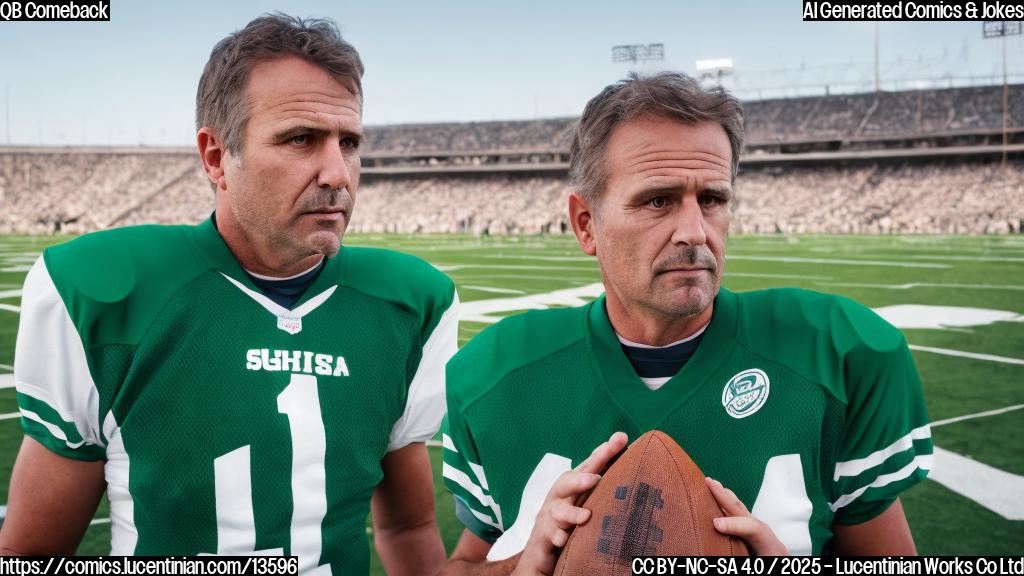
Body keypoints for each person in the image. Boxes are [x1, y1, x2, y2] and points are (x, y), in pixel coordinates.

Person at [0, 14, 457, 576]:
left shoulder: (410, 304)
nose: (338, 173)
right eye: (301, 139)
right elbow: (29, 559)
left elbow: (406, 527)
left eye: (350, 142)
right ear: (216, 157)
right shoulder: (102, 290)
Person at [440, 72, 932, 573]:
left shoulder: (838, 356)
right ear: (586, 224)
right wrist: (522, 565)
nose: (695, 232)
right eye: (659, 201)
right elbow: (463, 563)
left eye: (712, 200)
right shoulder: (493, 377)